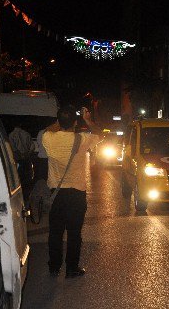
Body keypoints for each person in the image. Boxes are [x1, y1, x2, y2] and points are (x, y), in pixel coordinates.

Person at [42, 104, 102, 278]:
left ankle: (54, 267)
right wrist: (87, 119)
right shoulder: (81, 139)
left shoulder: (48, 138)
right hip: (76, 194)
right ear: (75, 123)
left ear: (59, 121)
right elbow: (100, 134)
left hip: (56, 194)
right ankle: (71, 269)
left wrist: (62, 120)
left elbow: (48, 129)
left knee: (55, 232)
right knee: (74, 233)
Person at [9, 123, 34, 200]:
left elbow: (13, 148)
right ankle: (27, 196)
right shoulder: (26, 134)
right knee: (28, 178)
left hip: (18, 160)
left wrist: (19, 155)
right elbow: (32, 146)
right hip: (26, 159)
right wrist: (27, 154)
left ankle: (20, 196)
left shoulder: (11, 135)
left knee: (18, 178)